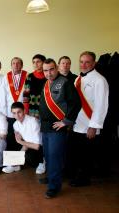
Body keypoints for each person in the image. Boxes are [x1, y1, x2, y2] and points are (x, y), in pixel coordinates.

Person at [39, 58, 81, 198]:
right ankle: (52, 178)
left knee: (55, 158)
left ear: (56, 68)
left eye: (51, 69)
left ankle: (54, 187)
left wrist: (66, 121)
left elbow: (75, 103)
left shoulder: (65, 83)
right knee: (48, 157)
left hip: (57, 128)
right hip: (45, 127)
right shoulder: (46, 84)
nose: (49, 73)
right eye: (45, 70)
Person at [70, 51, 109, 187]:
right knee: (78, 153)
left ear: (94, 63)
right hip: (77, 123)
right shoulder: (78, 79)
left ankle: (84, 179)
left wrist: (94, 126)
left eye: (87, 62)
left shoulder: (100, 80)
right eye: (81, 61)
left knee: (86, 154)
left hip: (89, 124)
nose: (83, 65)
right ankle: (78, 175)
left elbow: (101, 105)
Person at [2, 102, 43, 173]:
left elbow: (37, 146)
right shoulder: (15, 124)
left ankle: (42, 162)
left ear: (24, 111)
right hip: (27, 145)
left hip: (40, 149)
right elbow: (24, 143)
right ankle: (14, 165)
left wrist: (20, 142)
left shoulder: (33, 121)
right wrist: (16, 158)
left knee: (30, 158)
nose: (17, 115)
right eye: (14, 113)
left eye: (19, 112)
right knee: (10, 137)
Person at [23, 54, 47, 175]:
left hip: (47, 112)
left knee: (45, 137)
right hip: (33, 112)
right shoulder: (30, 76)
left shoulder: (48, 75)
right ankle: (40, 162)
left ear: (43, 62)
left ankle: (46, 159)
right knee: (37, 137)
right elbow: (26, 95)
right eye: (34, 62)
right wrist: (26, 112)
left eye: (38, 61)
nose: (36, 64)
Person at [1, 57, 28, 151]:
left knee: (23, 135)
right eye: (13, 63)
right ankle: (11, 159)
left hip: (23, 112)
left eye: (18, 63)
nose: (16, 65)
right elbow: (2, 96)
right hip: (10, 112)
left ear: (22, 65)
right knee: (11, 136)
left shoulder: (27, 75)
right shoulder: (6, 77)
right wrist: (4, 113)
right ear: (11, 65)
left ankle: (21, 158)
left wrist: (27, 111)